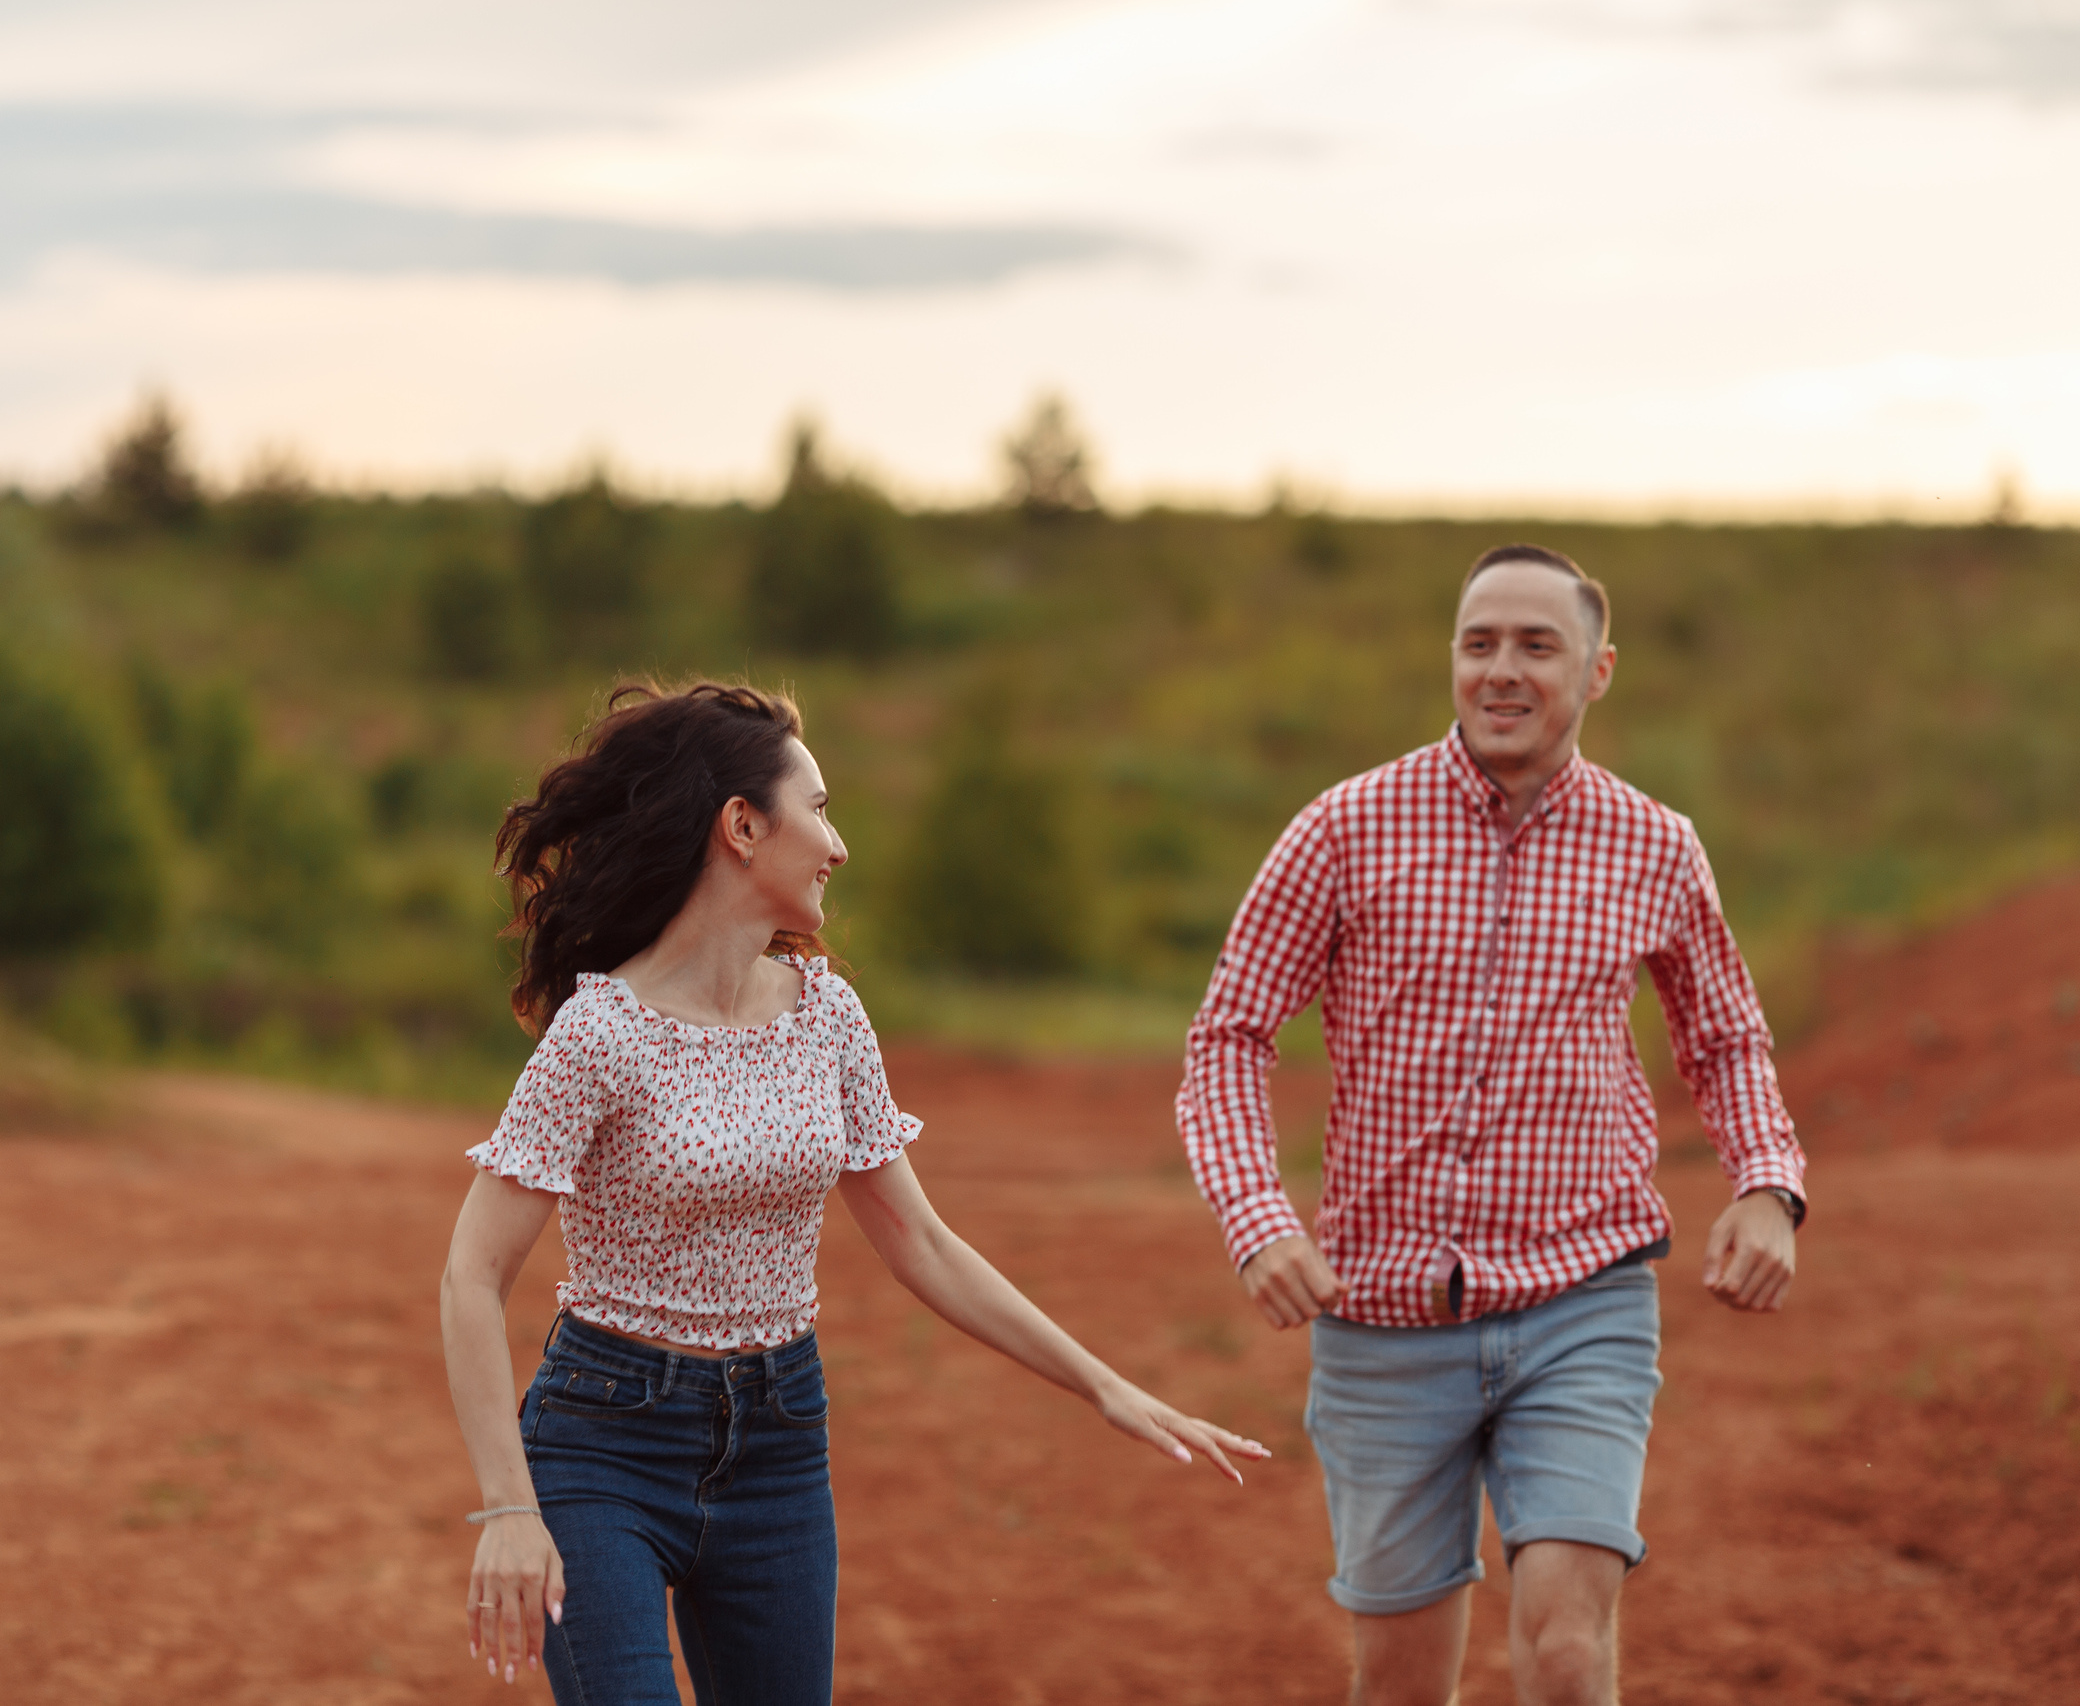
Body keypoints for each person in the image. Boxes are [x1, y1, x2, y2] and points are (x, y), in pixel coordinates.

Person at [441, 680, 1269, 1705]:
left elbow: (918, 1240)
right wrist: (508, 1511)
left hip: (778, 1441)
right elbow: (473, 1276)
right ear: (742, 827)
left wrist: (1104, 1384)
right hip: (603, 1443)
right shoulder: (601, 1034)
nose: (838, 845)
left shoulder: (828, 1016)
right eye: (819, 809)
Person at [1177, 547, 1807, 1706]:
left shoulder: (1655, 845)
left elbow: (1723, 1039)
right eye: (1479, 645)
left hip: (1583, 1296)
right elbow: (1228, 1035)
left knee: (1567, 1654)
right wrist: (1258, 1218)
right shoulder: (1342, 828)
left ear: (1597, 670)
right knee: (1403, 1683)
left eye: (1535, 645)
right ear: (1452, 660)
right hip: (1380, 1316)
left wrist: (1766, 1182)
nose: (1502, 671)